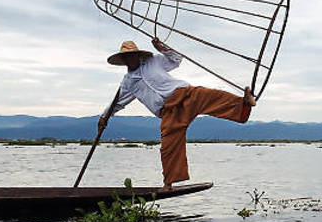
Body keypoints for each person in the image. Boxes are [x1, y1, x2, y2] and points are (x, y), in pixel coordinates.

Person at [98, 39, 256, 191]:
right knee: (168, 145)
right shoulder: (128, 82)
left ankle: (244, 103)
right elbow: (117, 102)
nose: (130, 58)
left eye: (133, 55)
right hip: (169, 111)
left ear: (138, 55)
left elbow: (176, 59)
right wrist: (104, 117)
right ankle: (168, 184)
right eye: (127, 56)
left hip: (184, 94)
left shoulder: (154, 61)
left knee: (211, 96)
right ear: (124, 60)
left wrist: (162, 47)